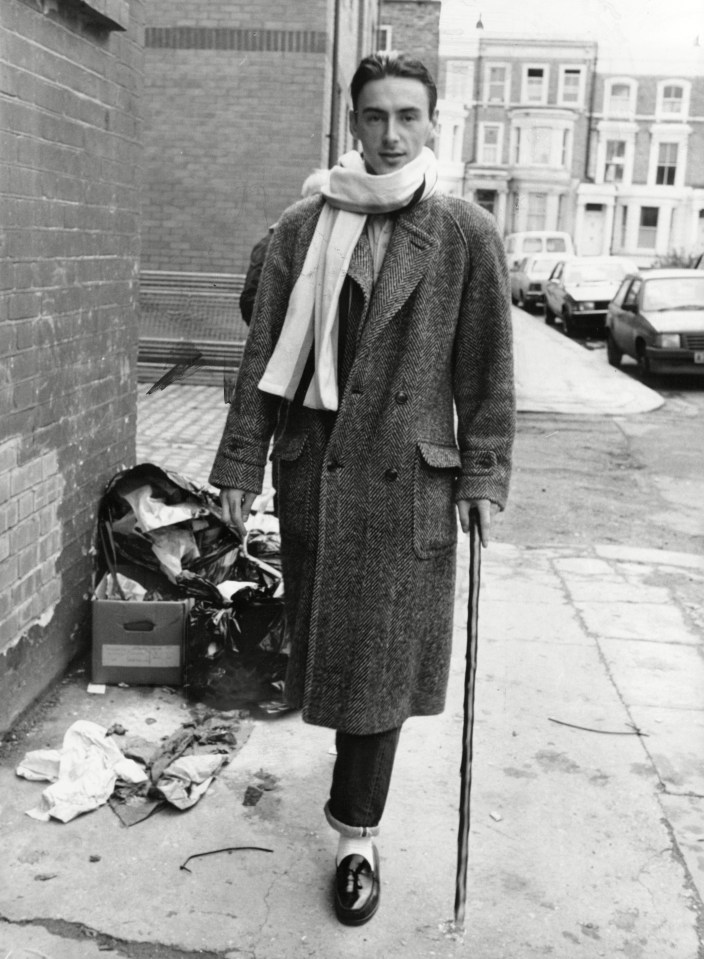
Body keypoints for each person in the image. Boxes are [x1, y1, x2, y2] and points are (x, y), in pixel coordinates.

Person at [209, 51, 515, 926]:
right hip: (321, 477)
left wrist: (484, 472)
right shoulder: (304, 227)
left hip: (407, 485)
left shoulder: (463, 234)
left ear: (433, 123)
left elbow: (486, 371)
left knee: (378, 676)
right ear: (353, 122)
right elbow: (262, 350)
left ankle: (356, 835)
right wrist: (238, 465)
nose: (389, 135)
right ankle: (353, 802)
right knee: (333, 665)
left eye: (406, 117)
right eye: (373, 117)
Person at [239, 170, 328, 326]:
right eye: (317, 198)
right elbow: (251, 301)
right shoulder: (273, 243)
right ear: (302, 201)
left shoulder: (332, 244)